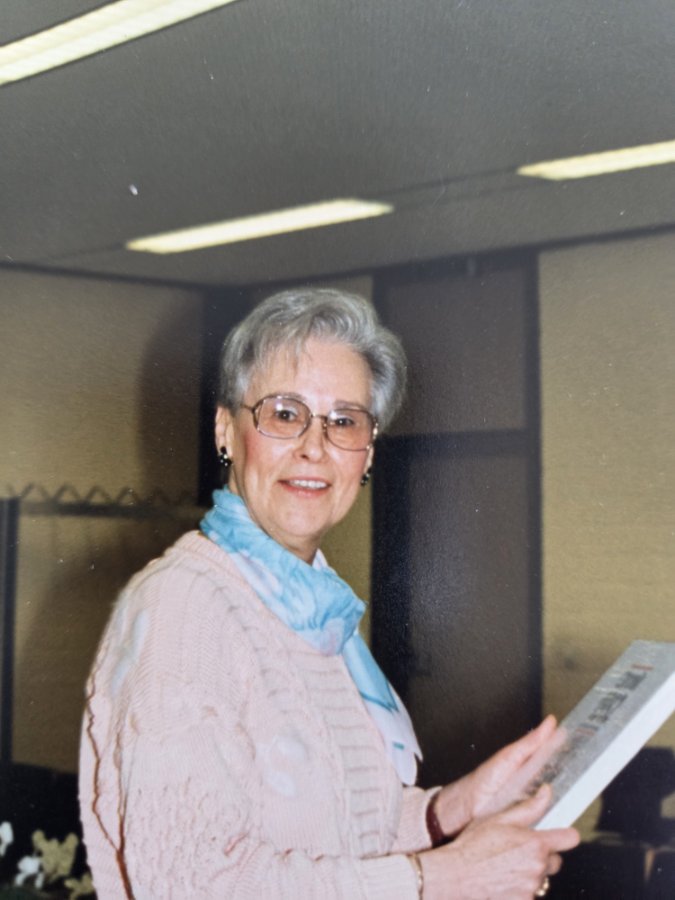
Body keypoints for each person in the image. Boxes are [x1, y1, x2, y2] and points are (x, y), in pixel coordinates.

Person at [79, 287, 579, 898]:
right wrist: (442, 879)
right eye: (284, 414)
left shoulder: (315, 611)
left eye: (344, 421)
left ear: (366, 454)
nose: (315, 447)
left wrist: (455, 809)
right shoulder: (186, 606)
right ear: (226, 431)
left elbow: (339, 832)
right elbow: (190, 882)